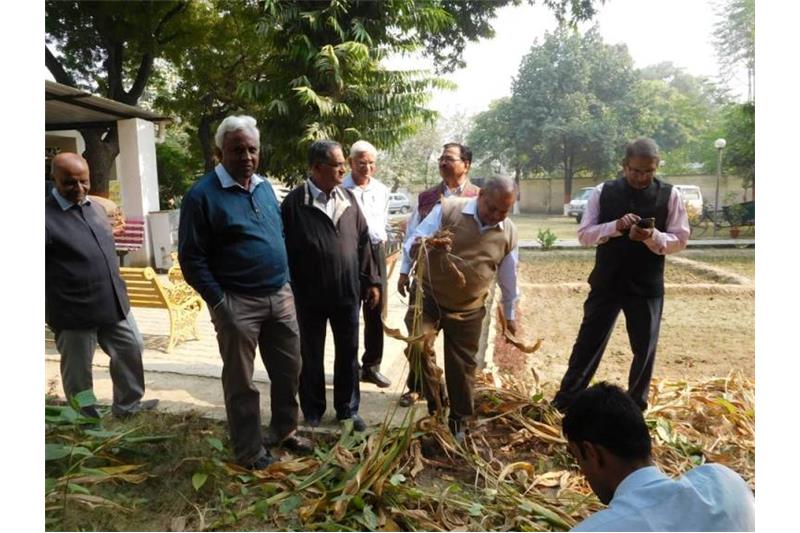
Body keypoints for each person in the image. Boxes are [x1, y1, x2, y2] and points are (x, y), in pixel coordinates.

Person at [178, 115, 310, 471]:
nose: (247, 156)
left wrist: (286, 283)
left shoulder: (265, 187)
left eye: (253, 149)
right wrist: (220, 303)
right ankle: (249, 451)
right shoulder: (201, 196)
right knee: (241, 382)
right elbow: (191, 258)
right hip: (237, 301)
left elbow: (277, 236)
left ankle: (284, 430)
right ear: (220, 152)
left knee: (289, 370)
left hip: (279, 296)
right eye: (238, 150)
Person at [553, 138, 690, 413]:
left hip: (647, 284)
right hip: (607, 281)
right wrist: (614, 227)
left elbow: (681, 238)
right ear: (624, 166)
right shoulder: (603, 192)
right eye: (635, 170)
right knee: (588, 343)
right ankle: (566, 401)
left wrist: (653, 236)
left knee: (644, 349)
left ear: (656, 167)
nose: (641, 177)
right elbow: (584, 235)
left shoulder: (670, 195)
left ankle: (636, 406)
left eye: (648, 171)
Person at [403, 176, 519, 442]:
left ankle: (460, 423)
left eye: (504, 211)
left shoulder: (509, 232)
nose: (496, 216)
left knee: (462, 368)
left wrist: (509, 315)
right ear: (480, 198)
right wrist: (424, 244)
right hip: (428, 297)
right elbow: (414, 241)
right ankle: (436, 405)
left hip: (468, 308)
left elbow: (509, 278)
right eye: (492, 208)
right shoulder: (448, 209)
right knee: (417, 346)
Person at [45, 152, 158, 420]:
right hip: (73, 312)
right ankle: (85, 418)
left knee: (132, 348)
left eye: (83, 181)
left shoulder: (95, 208)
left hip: (113, 303)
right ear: (54, 180)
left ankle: (128, 407)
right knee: (79, 372)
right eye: (69, 183)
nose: (79, 189)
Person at [281, 140, 381, 433]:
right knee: (310, 353)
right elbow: (282, 249)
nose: (342, 169)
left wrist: (371, 281)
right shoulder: (294, 203)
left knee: (348, 352)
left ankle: (347, 410)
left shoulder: (348, 198)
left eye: (342, 164)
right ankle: (312, 410)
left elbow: (364, 242)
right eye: (336, 164)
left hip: (347, 293)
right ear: (316, 168)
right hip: (308, 295)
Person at [563, 382, 755, 531]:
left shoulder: (599, 529)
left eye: (578, 459)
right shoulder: (727, 485)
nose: (583, 474)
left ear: (591, 453)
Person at [396, 142, 481, 407]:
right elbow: (413, 235)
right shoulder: (427, 198)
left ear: (466, 164)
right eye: (441, 159)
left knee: (459, 355)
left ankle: (454, 403)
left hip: (462, 291)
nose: (443, 163)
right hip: (426, 284)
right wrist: (403, 271)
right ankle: (422, 387)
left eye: (450, 159)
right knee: (418, 343)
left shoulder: (481, 197)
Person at [342, 140, 392, 389]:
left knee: (375, 312)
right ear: (351, 162)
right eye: (362, 162)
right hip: (350, 253)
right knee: (350, 311)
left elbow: (381, 223)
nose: (367, 167)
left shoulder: (381, 190)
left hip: (376, 252)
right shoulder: (340, 189)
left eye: (371, 163)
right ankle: (350, 368)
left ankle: (372, 366)